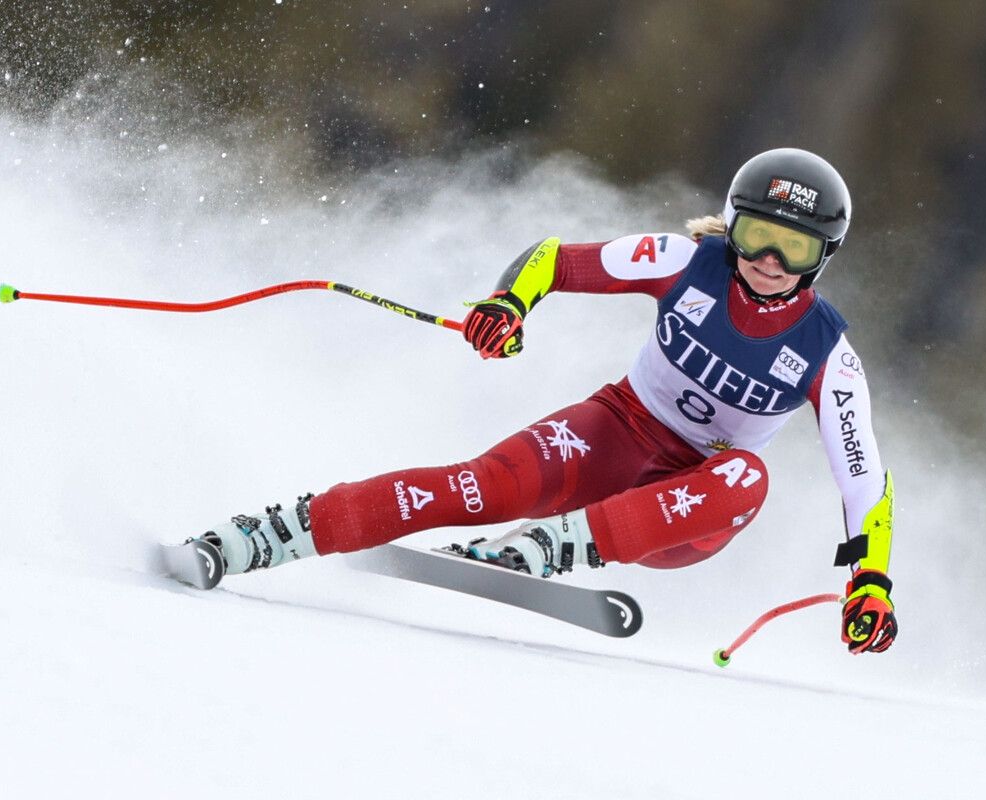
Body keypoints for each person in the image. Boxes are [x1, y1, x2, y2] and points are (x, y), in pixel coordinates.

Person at [196, 148, 897, 654]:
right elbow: (556, 260)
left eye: (793, 247)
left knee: (750, 476)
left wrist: (871, 580)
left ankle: (550, 547)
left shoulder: (828, 354)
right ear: (732, 225)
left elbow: (863, 478)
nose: (770, 261)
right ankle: (265, 535)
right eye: (758, 236)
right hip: (615, 432)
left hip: (688, 507)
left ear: (822, 256)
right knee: (477, 486)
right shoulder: (682, 261)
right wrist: (508, 305)